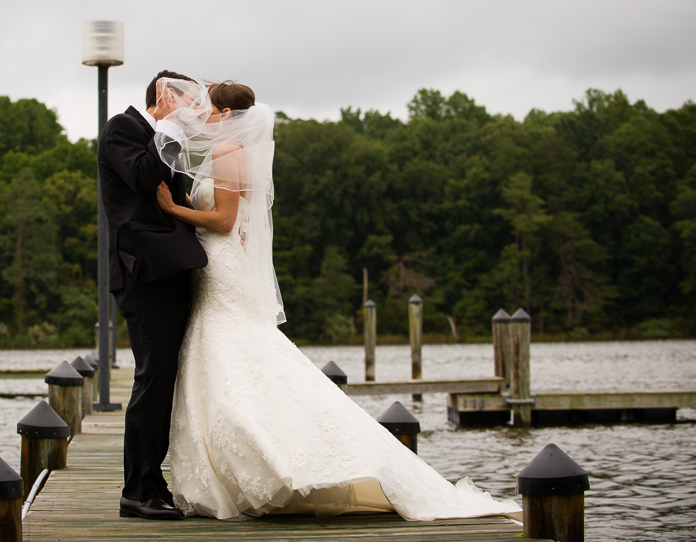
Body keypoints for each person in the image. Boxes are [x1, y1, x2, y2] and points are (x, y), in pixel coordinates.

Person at [154, 79, 521, 521]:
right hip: (219, 268)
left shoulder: (230, 153)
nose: (204, 116)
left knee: (231, 355)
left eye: (209, 108)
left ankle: (273, 464)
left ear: (227, 116)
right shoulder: (230, 153)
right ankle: (234, 471)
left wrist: (174, 210)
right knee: (224, 357)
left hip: (224, 267)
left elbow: (226, 220)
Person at [97, 70, 209, 520]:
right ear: (164, 96)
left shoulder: (169, 138)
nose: (195, 109)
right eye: (189, 100)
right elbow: (145, 179)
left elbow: (175, 203)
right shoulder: (123, 129)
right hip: (143, 273)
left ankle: (153, 482)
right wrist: (169, 129)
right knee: (154, 377)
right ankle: (138, 490)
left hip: (173, 271)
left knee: (166, 378)